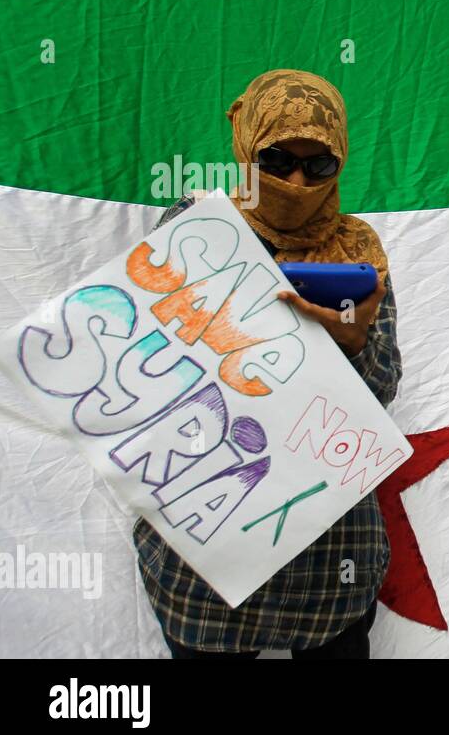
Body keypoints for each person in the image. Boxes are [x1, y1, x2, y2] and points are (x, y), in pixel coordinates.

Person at [132, 69, 403, 659]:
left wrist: (353, 345)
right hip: (205, 558)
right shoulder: (194, 226)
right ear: (246, 147)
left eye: (319, 165)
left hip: (329, 564)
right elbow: (147, 371)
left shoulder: (358, 253)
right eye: (278, 161)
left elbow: (381, 394)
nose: (298, 181)